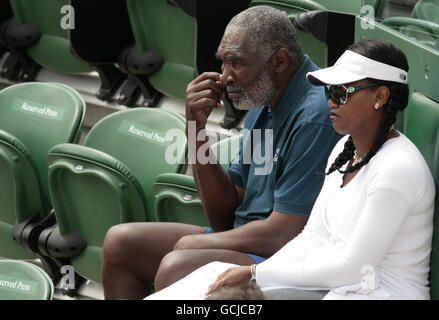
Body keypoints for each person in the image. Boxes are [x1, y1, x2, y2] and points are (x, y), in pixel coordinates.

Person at [145, 38, 436, 300]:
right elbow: (312, 237)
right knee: (203, 286)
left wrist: (255, 275)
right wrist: (258, 274)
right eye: (328, 91)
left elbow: (352, 269)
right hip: (334, 284)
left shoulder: (397, 168)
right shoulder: (344, 148)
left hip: (378, 292)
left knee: (227, 299)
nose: (331, 101)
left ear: (381, 96)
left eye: (342, 93)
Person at [101, 5, 341, 299]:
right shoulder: (263, 99)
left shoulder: (315, 116)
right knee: (120, 243)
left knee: (178, 266)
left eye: (236, 64)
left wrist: (199, 244)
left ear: (279, 61)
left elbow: (285, 235)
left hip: (289, 262)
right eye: (223, 63)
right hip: (252, 243)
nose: (224, 77)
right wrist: (195, 131)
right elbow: (224, 216)